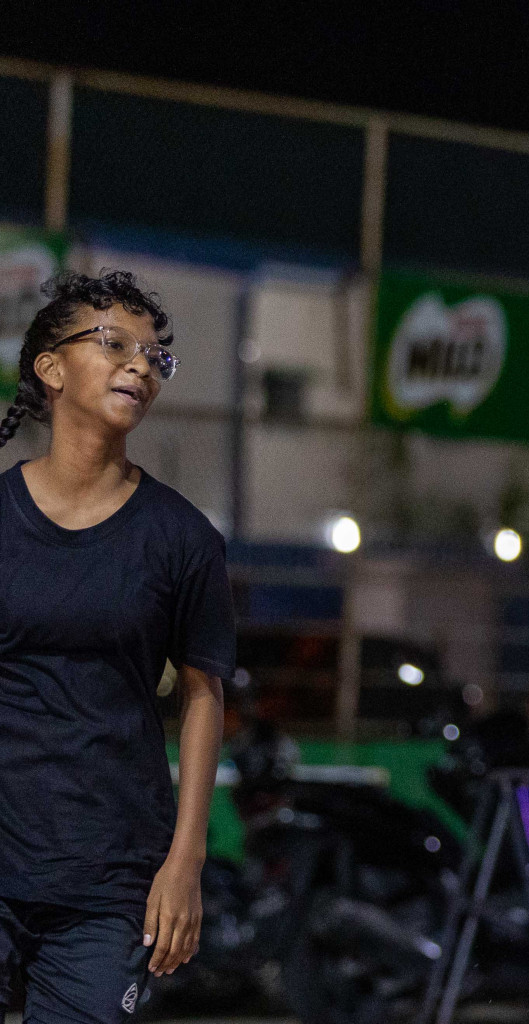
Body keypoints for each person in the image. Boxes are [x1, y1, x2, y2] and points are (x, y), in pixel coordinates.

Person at [0, 272, 234, 1022]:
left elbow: (203, 695)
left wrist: (185, 861)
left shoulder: (183, 539)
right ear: (50, 366)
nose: (140, 364)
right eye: (115, 343)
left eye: (156, 355)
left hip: (109, 882)